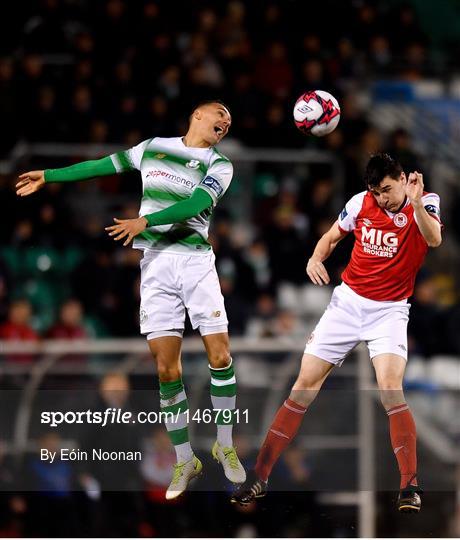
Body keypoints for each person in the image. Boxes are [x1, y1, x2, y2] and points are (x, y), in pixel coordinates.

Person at [16, 100, 246, 498]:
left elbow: (196, 205)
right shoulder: (153, 146)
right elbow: (102, 165)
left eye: (229, 119)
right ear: (197, 115)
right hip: (155, 266)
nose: (225, 121)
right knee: (165, 369)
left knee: (220, 355)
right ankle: (183, 459)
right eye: (219, 114)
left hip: (195, 264)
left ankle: (224, 443)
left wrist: (145, 221)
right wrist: (50, 176)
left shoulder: (220, 165)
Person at [231, 153, 442, 513]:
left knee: (391, 388)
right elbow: (331, 237)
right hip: (347, 304)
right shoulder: (361, 203)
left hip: (389, 311)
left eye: (387, 190)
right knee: (302, 387)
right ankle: (260, 475)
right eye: (375, 192)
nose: (381, 198)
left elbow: (434, 239)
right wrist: (316, 258)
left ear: (403, 179)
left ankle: (410, 485)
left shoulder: (427, 203)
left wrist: (418, 203)